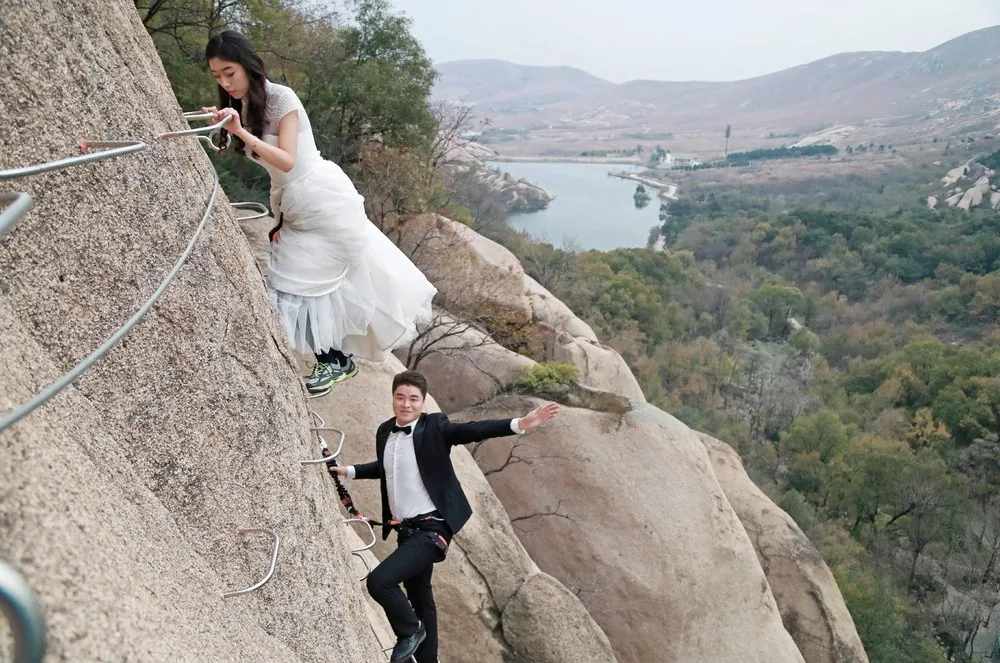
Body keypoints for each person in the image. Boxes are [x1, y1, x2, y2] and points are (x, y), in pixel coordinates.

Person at [203, 31, 436, 394]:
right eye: (217, 76)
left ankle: (335, 361)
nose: (224, 82)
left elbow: (287, 159)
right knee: (294, 285)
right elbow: (275, 173)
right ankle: (335, 359)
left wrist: (241, 133)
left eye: (229, 72)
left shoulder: (282, 98)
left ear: (247, 64)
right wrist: (221, 126)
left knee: (296, 285)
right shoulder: (248, 106)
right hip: (294, 204)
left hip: (323, 202)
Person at [330, 370, 560, 663]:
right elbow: (388, 468)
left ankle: (410, 631)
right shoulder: (385, 431)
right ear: (392, 399)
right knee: (420, 597)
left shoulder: (435, 426)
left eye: (413, 399)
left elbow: (474, 430)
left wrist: (520, 424)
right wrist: (349, 471)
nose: (406, 404)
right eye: (400, 397)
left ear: (423, 402)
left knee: (379, 582)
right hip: (408, 531)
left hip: (432, 529)